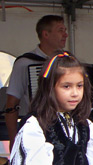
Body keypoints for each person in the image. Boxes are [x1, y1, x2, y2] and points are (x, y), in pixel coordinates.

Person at [5, 15, 67, 149]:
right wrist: (13, 139)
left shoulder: (68, 61)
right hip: (38, 130)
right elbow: (11, 104)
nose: (66, 35)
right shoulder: (25, 63)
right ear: (46, 34)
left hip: (66, 130)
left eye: (65, 30)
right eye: (60, 30)